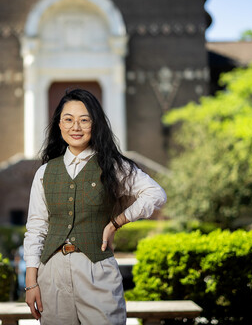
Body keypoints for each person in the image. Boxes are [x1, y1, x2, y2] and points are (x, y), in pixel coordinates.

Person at [23, 89, 167, 324]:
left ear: (95, 123)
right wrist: (32, 282)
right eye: (68, 119)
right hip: (52, 273)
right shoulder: (45, 172)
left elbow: (155, 194)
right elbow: (36, 228)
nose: (75, 127)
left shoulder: (112, 165)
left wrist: (115, 223)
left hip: (96, 270)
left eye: (84, 119)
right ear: (59, 124)